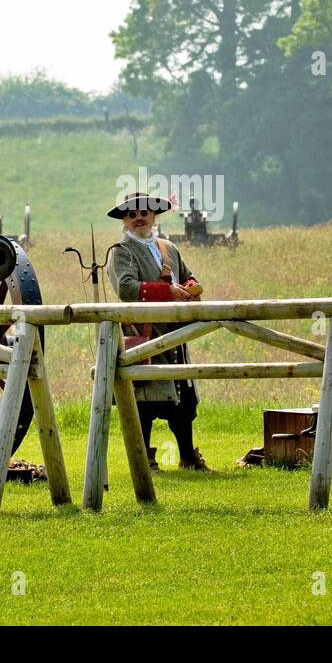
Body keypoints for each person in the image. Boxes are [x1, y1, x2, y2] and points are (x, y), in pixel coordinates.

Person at [105, 192, 209, 471]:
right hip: (145, 332)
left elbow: (187, 275)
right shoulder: (121, 251)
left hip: (176, 332)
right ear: (125, 221)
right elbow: (127, 289)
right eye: (132, 215)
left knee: (183, 403)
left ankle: (188, 458)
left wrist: (190, 287)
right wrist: (168, 291)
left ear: (154, 216)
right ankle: (146, 461)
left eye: (144, 213)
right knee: (145, 401)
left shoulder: (169, 248)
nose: (139, 218)